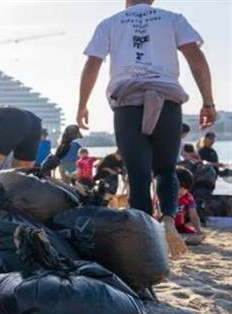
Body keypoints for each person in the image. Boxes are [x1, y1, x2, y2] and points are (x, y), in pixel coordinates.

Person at [78, 0, 216, 258]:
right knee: (165, 170)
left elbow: (92, 65)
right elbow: (195, 57)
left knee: (139, 175)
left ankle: (144, 244)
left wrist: (83, 105)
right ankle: (167, 220)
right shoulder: (172, 18)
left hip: (128, 104)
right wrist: (208, 101)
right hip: (167, 102)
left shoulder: (109, 23)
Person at [173, 166, 203, 236]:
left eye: (185, 188)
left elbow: (194, 215)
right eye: (179, 187)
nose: (182, 191)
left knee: (193, 235)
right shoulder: (165, 196)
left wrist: (198, 229)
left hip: (179, 226)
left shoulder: (188, 197)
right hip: (164, 225)